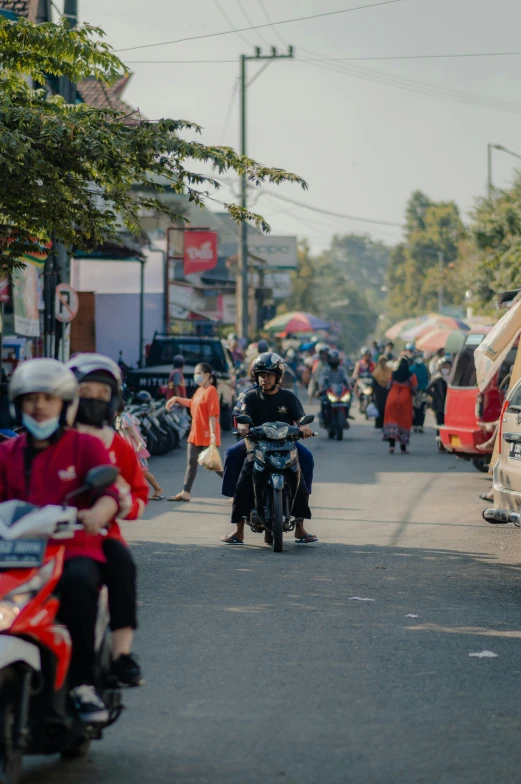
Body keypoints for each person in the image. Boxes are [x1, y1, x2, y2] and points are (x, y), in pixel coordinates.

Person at [0, 359, 123, 723]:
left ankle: (82, 685)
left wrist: (98, 512)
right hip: (12, 552)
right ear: (17, 405)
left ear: (65, 405)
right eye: (30, 399)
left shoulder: (85, 446)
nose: (39, 406)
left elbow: (110, 494)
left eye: (48, 399)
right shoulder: (6, 452)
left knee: (79, 585)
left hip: (70, 549)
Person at [67, 353, 149, 687]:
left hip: (100, 536)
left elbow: (139, 497)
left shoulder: (119, 447)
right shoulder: (42, 443)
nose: (93, 401)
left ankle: (121, 654)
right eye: (85, 392)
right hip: (41, 536)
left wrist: (120, 504)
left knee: (122, 567)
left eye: (102, 394)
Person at [221, 353, 317, 545]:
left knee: (306, 458)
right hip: (256, 444)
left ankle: (300, 527)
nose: (264, 379)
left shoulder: (288, 397)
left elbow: (300, 419)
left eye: (269, 375)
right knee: (234, 457)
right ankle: (239, 529)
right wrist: (243, 429)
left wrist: (304, 428)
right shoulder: (250, 396)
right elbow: (242, 418)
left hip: (286, 442)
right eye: (261, 375)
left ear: (278, 376)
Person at [166, 362, 222, 501]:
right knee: (192, 462)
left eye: (198, 373)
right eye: (195, 373)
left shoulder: (211, 391)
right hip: (195, 433)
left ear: (207, 375)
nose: (196, 376)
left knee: (213, 465)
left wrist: (212, 435)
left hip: (206, 434)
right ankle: (186, 492)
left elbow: (212, 415)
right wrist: (176, 399)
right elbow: (192, 403)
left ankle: (236, 490)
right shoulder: (199, 390)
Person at [383, 357, 418, 453]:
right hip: (405, 400)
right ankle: (403, 449)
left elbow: (388, 386)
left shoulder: (393, 375)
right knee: (404, 422)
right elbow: (414, 388)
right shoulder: (411, 376)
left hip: (392, 399)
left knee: (391, 421)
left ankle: (391, 446)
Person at [318, 350, 351, 430]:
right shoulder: (325, 370)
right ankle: (324, 419)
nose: (334, 361)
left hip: (340, 392)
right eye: (332, 359)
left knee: (348, 401)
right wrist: (321, 388)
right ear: (329, 360)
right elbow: (321, 380)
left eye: (336, 359)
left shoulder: (342, 370)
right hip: (328, 392)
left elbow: (346, 379)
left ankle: (345, 417)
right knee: (324, 402)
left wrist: (350, 386)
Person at [426, 356, 452, 451]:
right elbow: (428, 389)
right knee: (440, 425)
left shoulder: (452, 379)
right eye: (443, 366)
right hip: (439, 406)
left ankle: (448, 444)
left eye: (447, 366)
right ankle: (440, 444)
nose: (445, 368)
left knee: (448, 425)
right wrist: (436, 396)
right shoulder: (437, 379)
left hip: (450, 406)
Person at [410, 351, 430, 433]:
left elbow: (428, 377)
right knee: (415, 409)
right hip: (415, 391)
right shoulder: (412, 368)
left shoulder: (424, 367)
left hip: (423, 391)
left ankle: (420, 425)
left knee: (422, 409)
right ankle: (415, 425)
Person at [372, 355, 393, 430]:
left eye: (384, 361)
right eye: (381, 361)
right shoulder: (376, 372)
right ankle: (379, 424)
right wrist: (372, 394)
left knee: (388, 409)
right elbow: (373, 385)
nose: (383, 363)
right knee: (380, 408)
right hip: (379, 393)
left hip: (388, 392)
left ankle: (386, 423)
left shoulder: (390, 370)